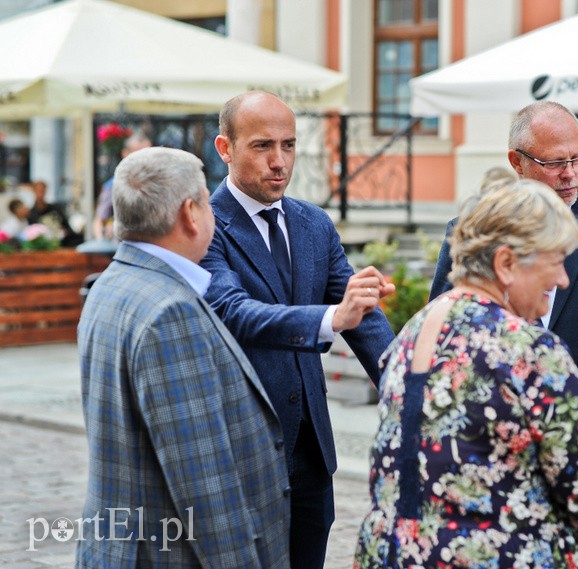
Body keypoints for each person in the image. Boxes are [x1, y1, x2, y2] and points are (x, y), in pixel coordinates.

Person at [429, 101, 578, 568]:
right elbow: (442, 329)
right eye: (556, 163)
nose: (572, 174)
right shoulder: (470, 234)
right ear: (516, 161)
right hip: (491, 455)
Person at [355, 179, 578, 568]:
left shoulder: (414, 331)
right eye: (554, 262)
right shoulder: (530, 350)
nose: (562, 279)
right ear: (505, 264)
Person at [201, 90, 396, 569]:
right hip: (243, 445)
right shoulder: (203, 225)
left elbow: (362, 316)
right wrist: (331, 318)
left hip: (311, 447)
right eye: (263, 146)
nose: (279, 161)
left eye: (288, 145)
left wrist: (409, 381)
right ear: (225, 148)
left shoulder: (314, 223)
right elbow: (231, 311)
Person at [76, 147, 291, 567]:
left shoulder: (111, 283)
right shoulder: (169, 311)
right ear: (191, 214)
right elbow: (205, 483)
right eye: (208, 203)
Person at [92, 132, 152, 239]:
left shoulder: (158, 182)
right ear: (125, 154)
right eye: (139, 154)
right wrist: (101, 240)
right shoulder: (114, 184)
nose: (145, 160)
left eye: (149, 154)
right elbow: (99, 221)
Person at [26, 180, 83, 247]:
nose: (40, 194)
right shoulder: (31, 213)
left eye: (42, 191)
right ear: (33, 191)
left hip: (62, 242)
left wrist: (63, 232)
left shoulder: (55, 209)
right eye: (38, 191)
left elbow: (67, 228)